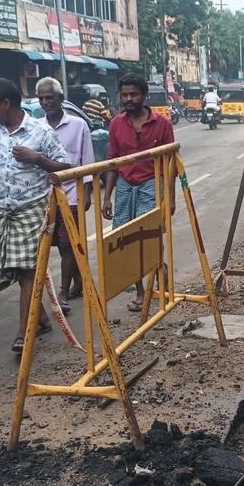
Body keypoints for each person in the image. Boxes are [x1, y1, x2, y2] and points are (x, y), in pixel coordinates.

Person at [0, 78, 70, 354]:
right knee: (15, 268)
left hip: (31, 207)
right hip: (1, 208)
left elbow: (65, 166)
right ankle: (38, 318)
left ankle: (23, 333)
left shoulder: (40, 131)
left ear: (6, 104)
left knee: (28, 269)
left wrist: (37, 159)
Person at [101, 73, 174, 313]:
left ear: (144, 96)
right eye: (125, 95)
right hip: (124, 185)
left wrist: (171, 198)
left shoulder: (162, 124)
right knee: (126, 238)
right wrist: (106, 197)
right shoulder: (116, 124)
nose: (129, 99)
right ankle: (141, 291)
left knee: (150, 235)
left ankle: (156, 277)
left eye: (133, 94)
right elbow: (112, 161)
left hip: (152, 183)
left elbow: (171, 163)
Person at [35, 77, 94, 312]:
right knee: (59, 244)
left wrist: (87, 193)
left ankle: (63, 291)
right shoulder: (37, 127)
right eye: (41, 98)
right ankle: (79, 283)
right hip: (46, 195)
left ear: (60, 98)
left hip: (72, 193)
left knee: (67, 242)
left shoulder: (78, 125)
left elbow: (87, 160)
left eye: (49, 97)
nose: (45, 102)